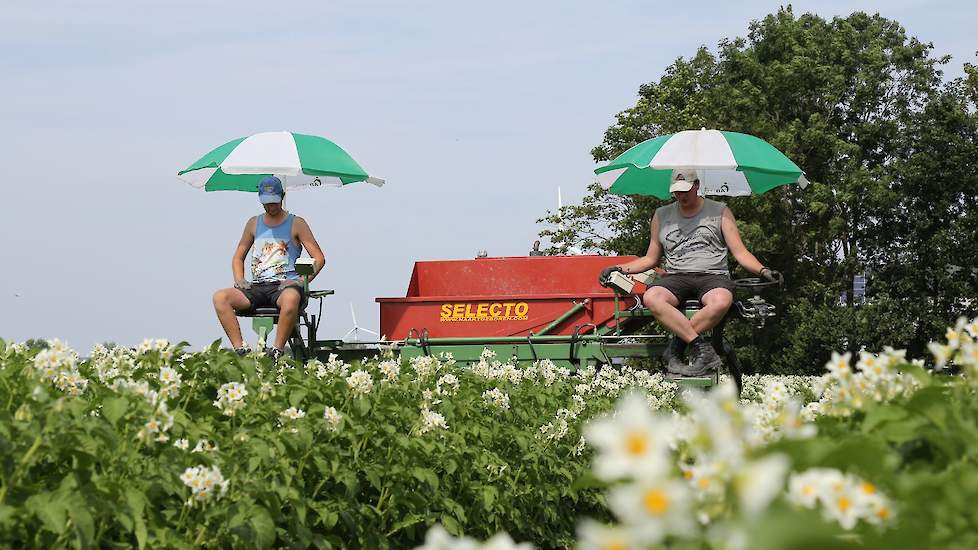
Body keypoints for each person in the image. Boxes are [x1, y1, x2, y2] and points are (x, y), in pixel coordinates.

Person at [599, 171, 780, 376]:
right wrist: (620, 268)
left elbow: (740, 252)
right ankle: (700, 347)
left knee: (721, 301)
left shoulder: (720, 211)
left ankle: (675, 349)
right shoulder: (661, 215)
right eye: (676, 192)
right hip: (677, 276)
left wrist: (763, 270)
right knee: (652, 297)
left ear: (696, 185)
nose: (681, 196)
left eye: (685, 190)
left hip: (712, 275)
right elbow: (651, 259)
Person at [212, 176, 326, 360]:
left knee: (290, 299)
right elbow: (238, 257)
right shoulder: (253, 223)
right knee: (220, 297)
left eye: (274, 202)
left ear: (282, 196)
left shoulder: (297, 223)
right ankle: (240, 349)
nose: (270, 207)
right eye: (266, 203)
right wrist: (239, 279)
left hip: (284, 285)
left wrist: (300, 280)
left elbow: (319, 258)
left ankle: (277, 350)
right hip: (257, 286)